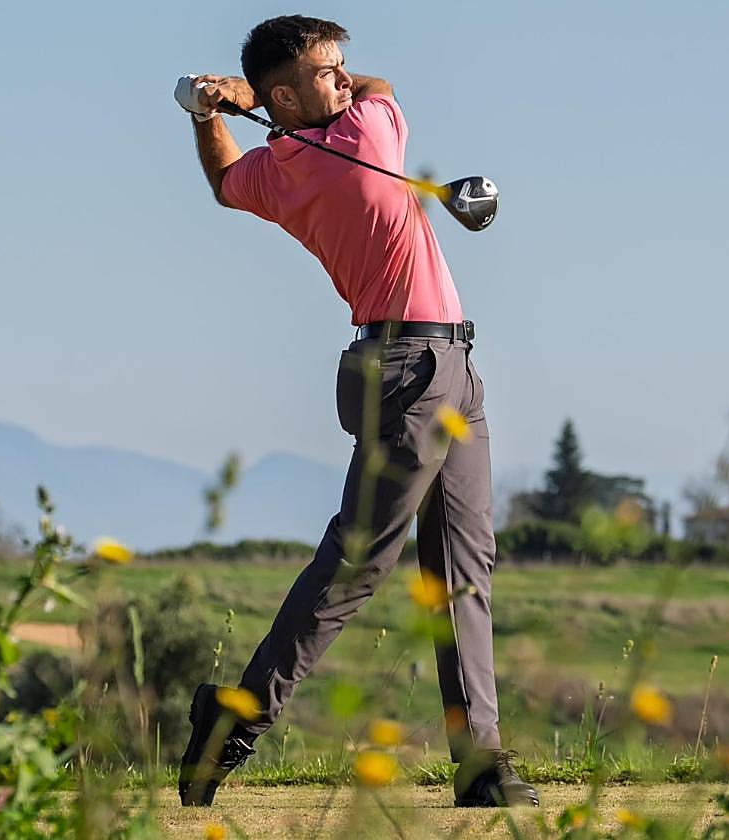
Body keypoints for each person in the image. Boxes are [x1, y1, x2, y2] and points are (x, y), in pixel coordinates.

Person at [172, 15, 539, 810]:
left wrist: (211, 115)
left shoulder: (278, 169)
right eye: (327, 69)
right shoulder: (367, 133)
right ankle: (232, 725)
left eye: (343, 67)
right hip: (413, 369)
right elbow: (383, 92)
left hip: (448, 367)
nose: (346, 77)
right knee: (358, 562)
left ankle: (481, 765)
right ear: (285, 94)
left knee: (463, 571)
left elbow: (223, 182)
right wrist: (240, 101)